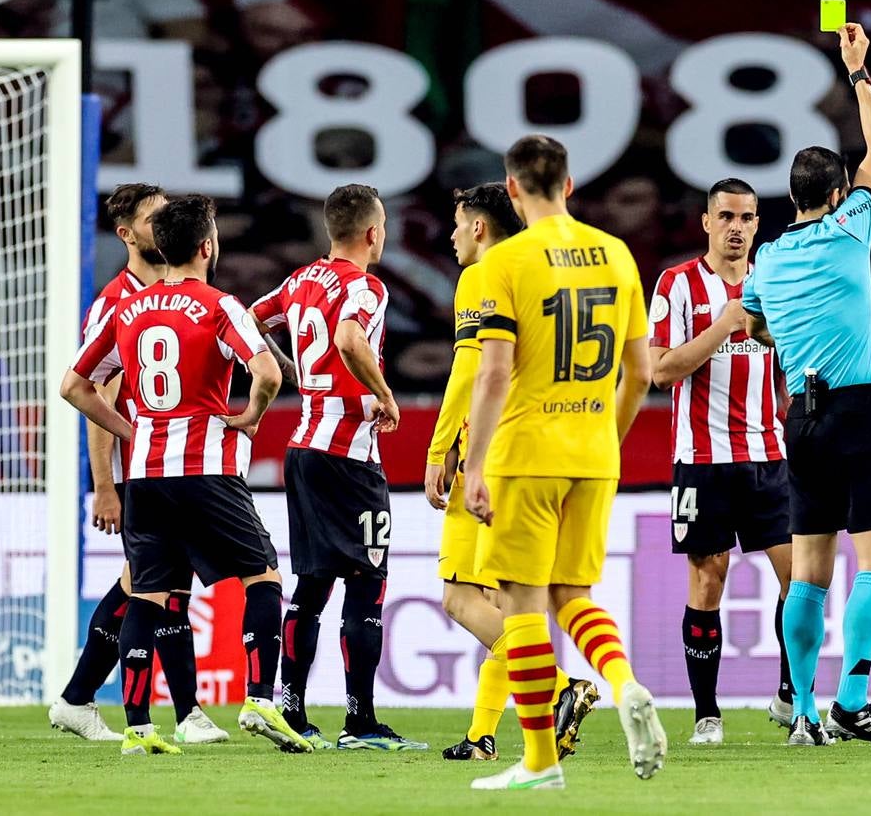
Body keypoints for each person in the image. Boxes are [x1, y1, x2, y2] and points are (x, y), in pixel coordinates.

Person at [61, 195, 307, 756]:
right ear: (206, 246)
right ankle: (258, 699)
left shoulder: (127, 310)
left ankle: (138, 728)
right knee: (263, 578)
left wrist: (133, 432)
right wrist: (251, 414)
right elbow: (266, 370)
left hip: (145, 475)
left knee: (148, 593)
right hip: (207, 471)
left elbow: (74, 386)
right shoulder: (221, 305)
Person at [461, 135, 665, 790]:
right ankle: (625, 682)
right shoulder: (616, 253)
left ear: (513, 189)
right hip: (595, 450)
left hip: (528, 450)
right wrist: (610, 433)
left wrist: (474, 465)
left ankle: (541, 762)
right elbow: (643, 370)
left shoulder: (505, 261)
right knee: (574, 595)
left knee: (522, 601)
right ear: (570, 185)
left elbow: (493, 375)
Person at [741, 22, 871, 748]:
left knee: (808, 570)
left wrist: (795, 335)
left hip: (798, 417)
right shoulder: (850, 228)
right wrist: (859, 73)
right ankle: (854, 698)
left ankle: (804, 711)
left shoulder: (768, 260)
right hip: (860, 407)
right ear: (838, 193)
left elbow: (754, 330)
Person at [48, 184, 226, 746]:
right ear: (128, 235)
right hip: (140, 470)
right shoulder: (117, 301)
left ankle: (183, 712)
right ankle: (82, 699)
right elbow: (93, 396)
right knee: (146, 585)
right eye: (154, 217)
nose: (165, 222)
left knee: (167, 586)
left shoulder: (174, 292)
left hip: (169, 463)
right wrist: (105, 484)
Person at [425, 183, 597, 762]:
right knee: (503, 602)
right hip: (541, 447)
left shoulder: (484, 275)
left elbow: (469, 369)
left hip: (489, 453)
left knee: (458, 596)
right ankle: (481, 736)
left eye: (457, 224)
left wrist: (440, 448)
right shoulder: (541, 272)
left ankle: (556, 688)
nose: (451, 236)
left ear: (479, 226)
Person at [249, 184, 423, 751]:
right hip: (349, 455)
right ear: (374, 233)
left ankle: (291, 712)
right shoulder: (366, 287)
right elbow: (350, 338)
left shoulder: (302, 281)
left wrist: (297, 376)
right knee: (368, 584)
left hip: (304, 446)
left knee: (313, 583)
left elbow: (253, 322)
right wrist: (384, 392)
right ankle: (361, 722)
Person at [649, 178, 794, 744]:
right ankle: (707, 714)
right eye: (727, 216)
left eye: (748, 217)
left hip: (769, 455)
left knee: (800, 581)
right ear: (706, 222)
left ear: (759, 225)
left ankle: (791, 698)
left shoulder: (774, 284)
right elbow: (660, 371)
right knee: (708, 581)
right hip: (702, 458)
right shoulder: (677, 284)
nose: (737, 227)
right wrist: (724, 324)